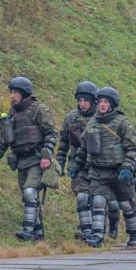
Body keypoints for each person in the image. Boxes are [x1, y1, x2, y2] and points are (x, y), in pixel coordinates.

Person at [72, 86, 136, 247]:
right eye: (100, 102)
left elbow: (132, 148)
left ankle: (134, 234)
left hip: (118, 171)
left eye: (105, 102)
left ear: (112, 104)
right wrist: (76, 166)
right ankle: (97, 236)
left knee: (125, 204)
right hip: (98, 170)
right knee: (98, 201)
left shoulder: (123, 123)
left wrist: (127, 167)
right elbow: (84, 148)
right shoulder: (93, 123)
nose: (102, 105)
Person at [0, 76, 56, 241]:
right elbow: (5, 138)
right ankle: (38, 234)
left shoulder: (39, 110)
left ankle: (27, 230)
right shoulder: (12, 113)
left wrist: (46, 155)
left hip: (37, 160)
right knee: (29, 198)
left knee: (29, 191)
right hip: (21, 161)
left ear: (24, 93)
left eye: (16, 92)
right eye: (11, 92)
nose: (12, 96)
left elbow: (51, 134)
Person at [55, 80, 102, 245]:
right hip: (78, 165)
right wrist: (59, 163)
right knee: (82, 197)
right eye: (80, 100)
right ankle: (86, 231)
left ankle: (99, 231)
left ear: (94, 101)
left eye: (86, 101)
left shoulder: (101, 118)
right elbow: (63, 144)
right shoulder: (71, 118)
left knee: (97, 200)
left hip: (98, 166)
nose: (82, 104)